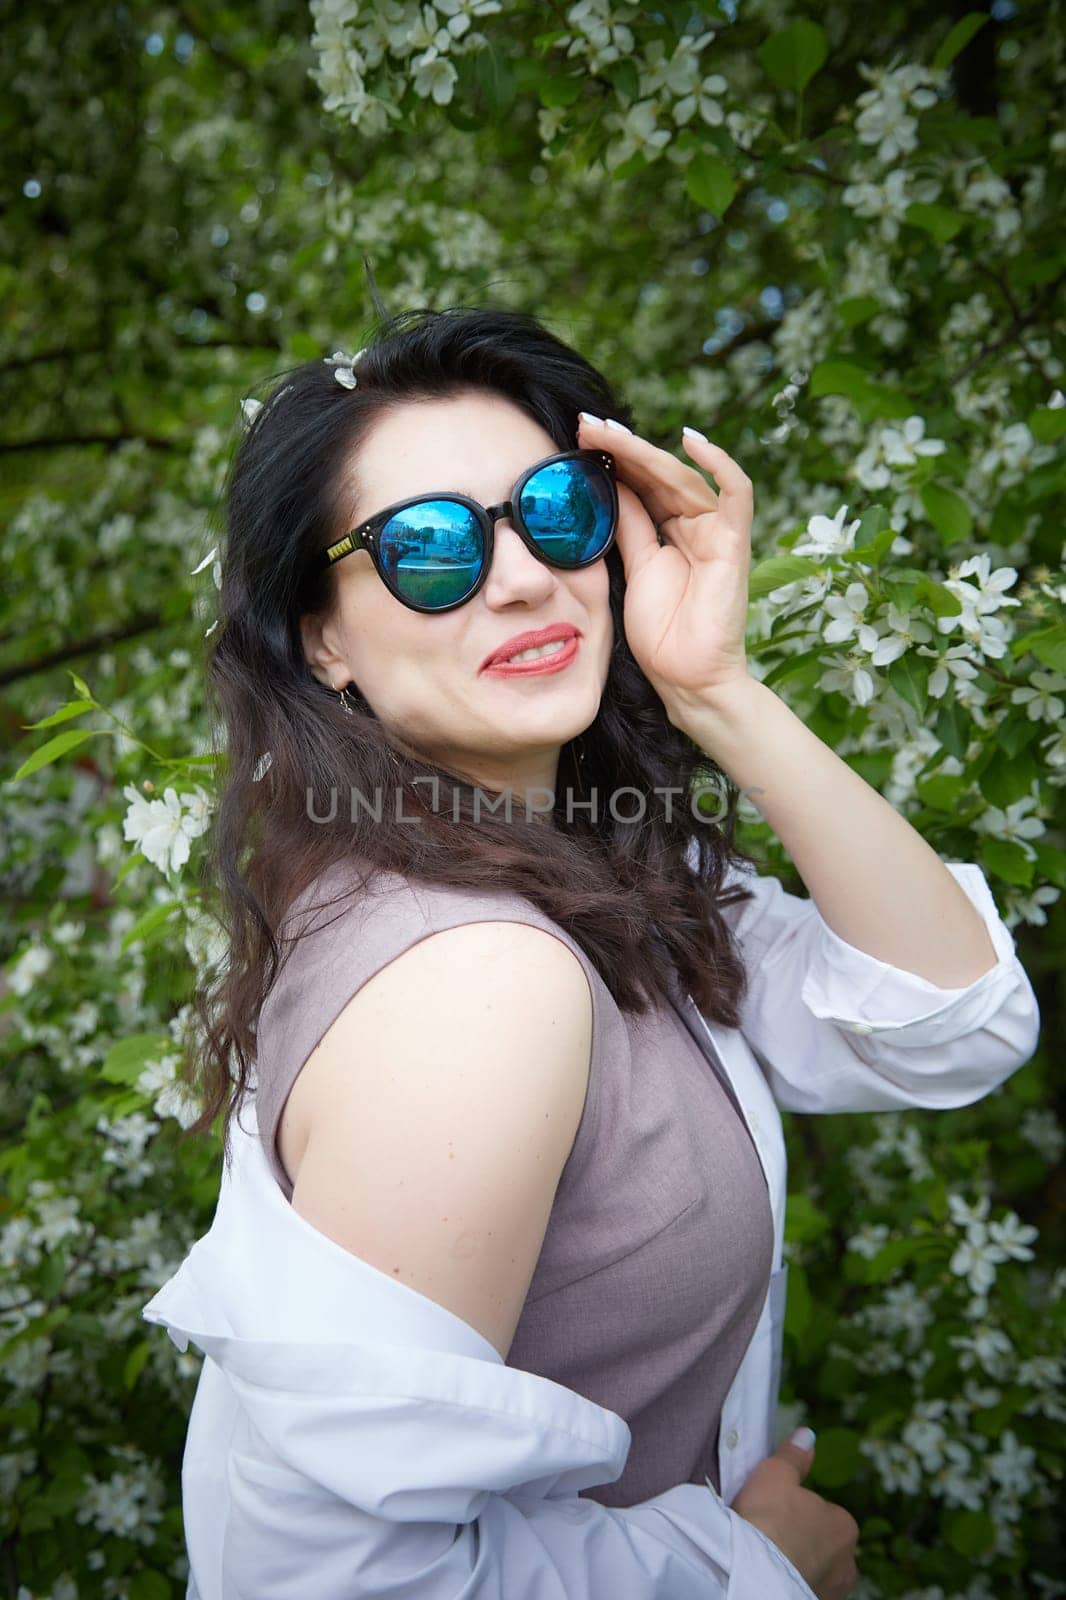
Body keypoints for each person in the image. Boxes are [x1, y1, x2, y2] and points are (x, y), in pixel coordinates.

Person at [143, 305, 1041, 1600]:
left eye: (555, 509)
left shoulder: (590, 871)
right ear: (322, 639)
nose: (519, 576)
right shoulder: (472, 981)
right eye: (429, 548)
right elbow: (328, 1582)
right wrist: (748, 1568)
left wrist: (719, 690)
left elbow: (949, 1026)